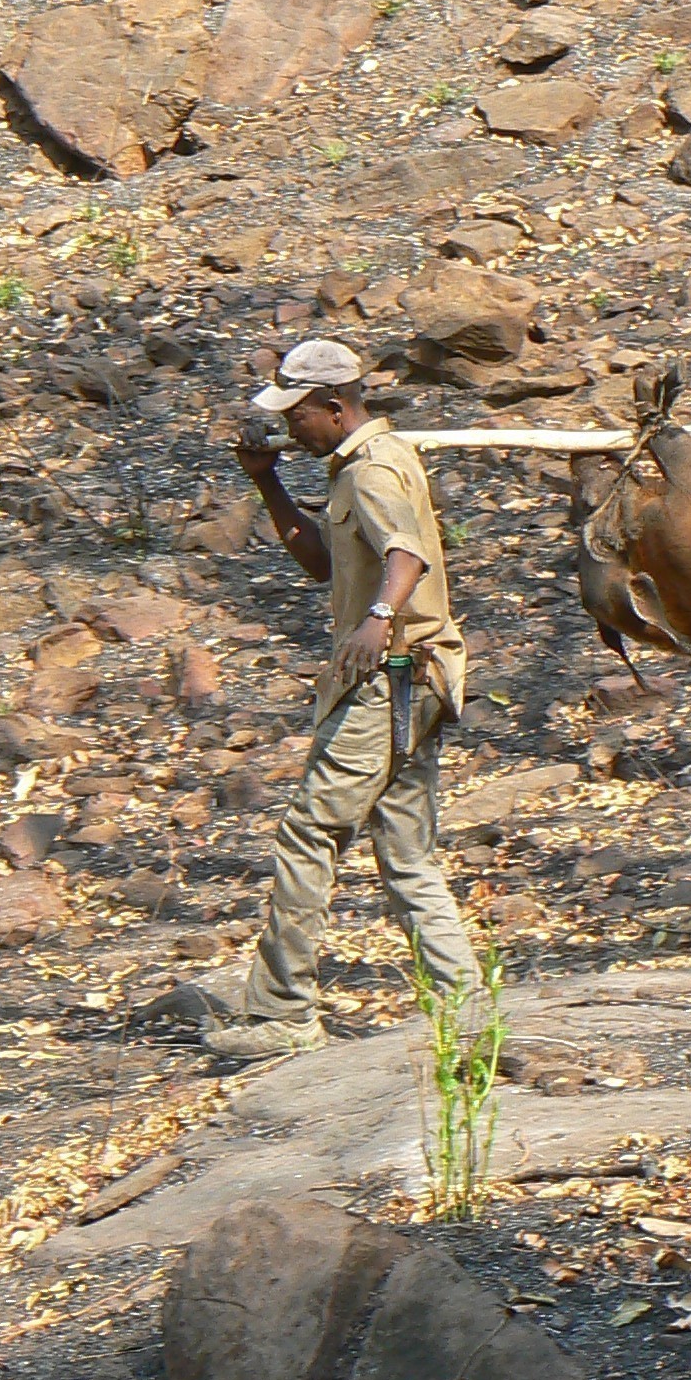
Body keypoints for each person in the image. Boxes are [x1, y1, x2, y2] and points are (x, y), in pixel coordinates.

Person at [207, 339, 480, 1059]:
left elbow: (408, 554)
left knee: (308, 833)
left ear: (335, 407)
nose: (290, 429)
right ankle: (468, 1008)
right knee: (405, 850)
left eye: (297, 417)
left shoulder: (375, 469)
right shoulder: (355, 468)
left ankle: (281, 1014)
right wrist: (266, 484)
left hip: (390, 677)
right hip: (417, 678)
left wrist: (379, 619)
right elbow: (322, 563)